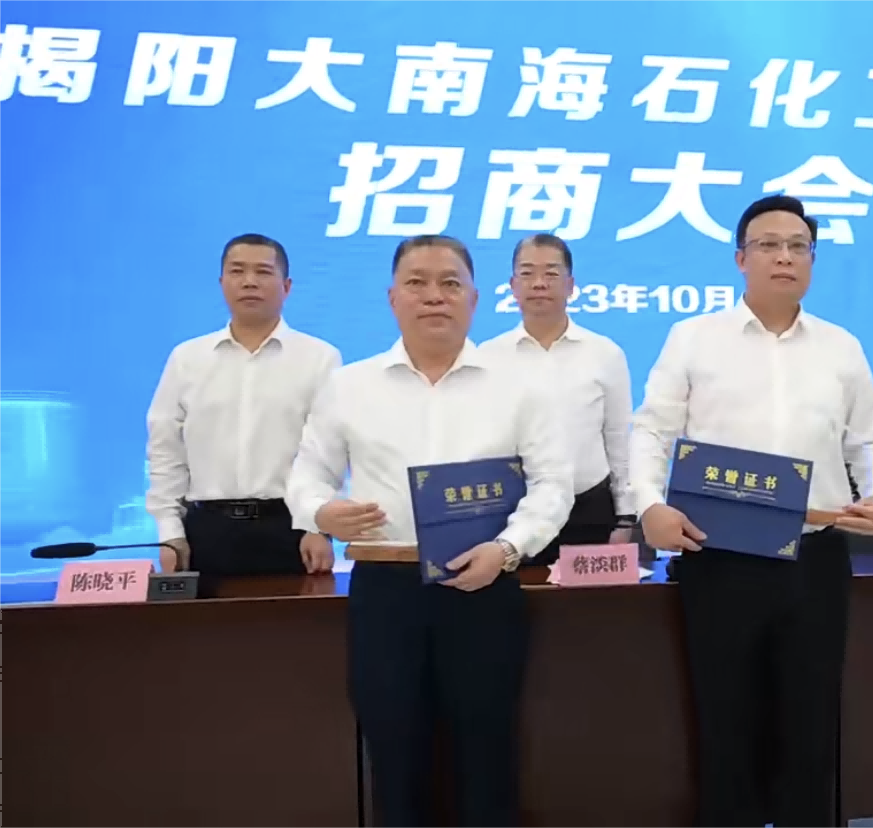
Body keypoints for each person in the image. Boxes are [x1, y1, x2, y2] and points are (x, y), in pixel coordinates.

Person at [631, 195, 873, 828]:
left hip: (815, 560)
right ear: (740, 258)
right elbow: (651, 430)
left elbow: (870, 442)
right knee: (725, 725)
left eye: (798, 246)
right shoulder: (694, 338)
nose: (784, 257)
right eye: (768, 245)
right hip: (720, 555)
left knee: (812, 727)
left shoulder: (841, 347)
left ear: (812, 259)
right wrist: (649, 503)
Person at [285, 234, 572, 828]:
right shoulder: (350, 385)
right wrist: (321, 513)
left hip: (485, 587)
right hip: (386, 589)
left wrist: (508, 548)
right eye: (417, 283)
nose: (434, 296)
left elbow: (553, 484)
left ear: (474, 298)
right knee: (395, 752)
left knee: (487, 752)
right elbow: (307, 475)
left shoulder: (520, 385)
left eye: (450, 283)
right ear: (392, 297)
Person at [145, 233, 340, 577]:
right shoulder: (187, 359)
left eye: (263, 272)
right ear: (222, 283)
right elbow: (165, 450)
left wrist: (317, 526)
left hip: (290, 529)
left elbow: (328, 451)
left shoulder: (319, 358)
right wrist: (169, 532)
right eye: (237, 271)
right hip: (206, 531)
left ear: (287, 286)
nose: (250, 282)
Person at [480, 234, 635, 564]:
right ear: (512, 285)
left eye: (551, 273)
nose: (539, 283)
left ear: (570, 285)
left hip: (591, 509)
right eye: (527, 273)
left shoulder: (605, 353)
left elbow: (619, 439)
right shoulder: (487, 357)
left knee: (590, 599)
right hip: (515, 513)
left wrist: (626, 516)